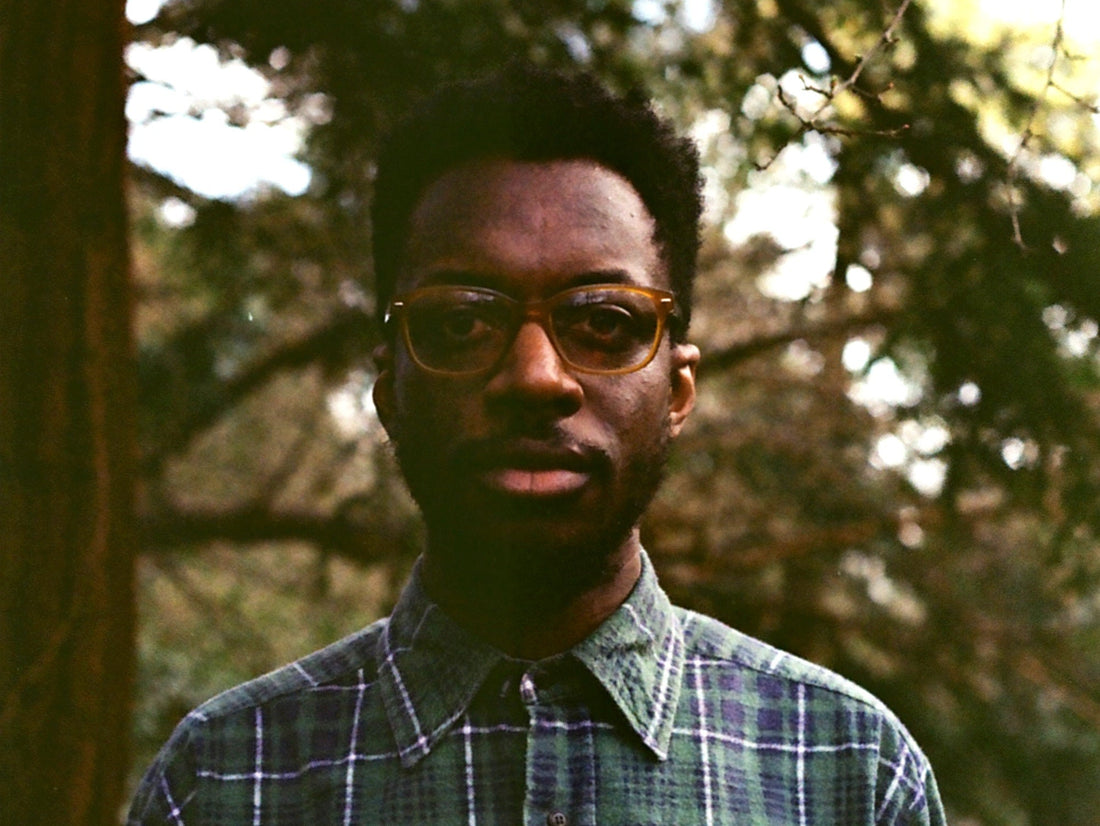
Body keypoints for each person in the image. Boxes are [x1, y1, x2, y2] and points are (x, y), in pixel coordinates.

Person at [129, 64, 946, 826]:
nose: (534, 377)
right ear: (389, 390)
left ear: (680, 392)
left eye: (603, 322)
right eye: (461, 322)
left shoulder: (848, 772)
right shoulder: (224, 779)